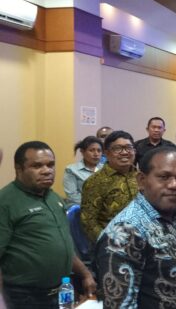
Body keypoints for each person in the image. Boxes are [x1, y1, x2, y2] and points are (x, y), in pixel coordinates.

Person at [95, 147, 176, 308]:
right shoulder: (126, 231)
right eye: (164, 177)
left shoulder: (171, 216)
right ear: (141, 180)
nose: (174, 185)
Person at [0, 141, 96, 308]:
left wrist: (85, 274)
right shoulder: (6, 202)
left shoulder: (54, 199)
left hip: (61, 291)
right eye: (37, 166)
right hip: (24, 298)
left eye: (51, 165)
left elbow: (63, 245)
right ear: (19, 168)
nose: (47, 171)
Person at [80, 130, 139, 242]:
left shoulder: (141, 177)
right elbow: (88, 222)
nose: (124, 152)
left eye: (129, 148)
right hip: (111, 245)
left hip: (143, 241)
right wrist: (108, 243)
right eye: (117, 149)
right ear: (106, 153)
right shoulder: (95, 182)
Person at [63, 136, 104, 206]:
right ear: (82, 151)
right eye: (91, 150)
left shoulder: (106, 168)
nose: (96, 154)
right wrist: (95, 204)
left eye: (99, 151)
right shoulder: (71, 170)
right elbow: (72, 196)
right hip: (81, 209)